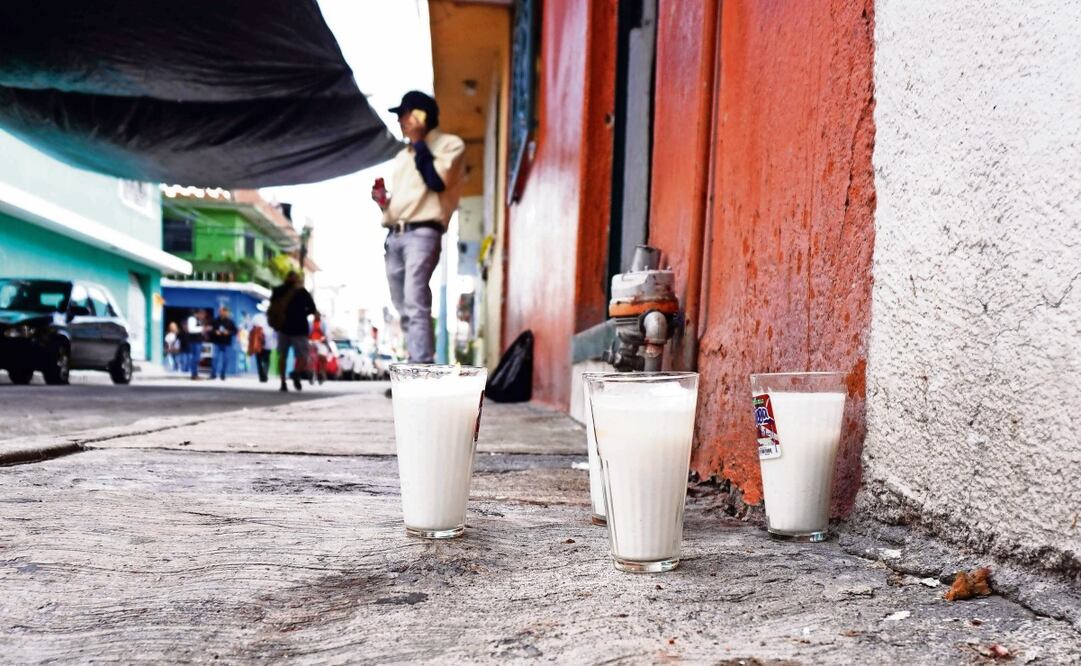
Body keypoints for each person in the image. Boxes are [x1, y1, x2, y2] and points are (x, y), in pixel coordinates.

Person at [372, 91, 465, 372]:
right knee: (402, 305)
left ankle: (421, 369)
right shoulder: (403, 156)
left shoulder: (450, 145)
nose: (400, 121)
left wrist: (421, 141)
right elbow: (402, 203)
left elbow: (436, 182)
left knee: (415, 299)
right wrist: (383, 202)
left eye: (404, 114)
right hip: (395, 234)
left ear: (420, 115)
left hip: (424, 232)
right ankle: (416, 361)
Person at [268, 271, 318, 392]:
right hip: (299, 328)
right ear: (296, 280)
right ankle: (296, 373)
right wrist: (301, 313)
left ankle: (283, 381)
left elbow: (272, 307)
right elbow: (312, 309)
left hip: (283, 327)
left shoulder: (278, 290)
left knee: (282, 356)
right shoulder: (302, 292)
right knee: (302, 356)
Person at [210, 306, 238, 381]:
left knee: (226, 359)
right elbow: (211, 330)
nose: (222, 313)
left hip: (227, 343)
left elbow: (235, 331)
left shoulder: (230, 322)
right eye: (221, 311)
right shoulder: (215, 320)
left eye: (224, 311)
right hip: (217, 342)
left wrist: (228, 332)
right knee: (215, 358)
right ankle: (213, 374)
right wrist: (215, 332)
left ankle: (223, 374)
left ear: (226, 312)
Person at [248, 312, 270, 383]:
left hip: (268, 341)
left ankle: (265, 373)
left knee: (266, 358)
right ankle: (262, 375)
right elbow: (251, 328)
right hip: (258, 342)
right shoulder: (257, 317)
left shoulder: (272, 318)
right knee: (259, 359)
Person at [185, 309, 206, 380]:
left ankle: (195, 374)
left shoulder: (199, 320)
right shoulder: (192, 319)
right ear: (199, 313)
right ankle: (194, 374)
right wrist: (202, 329)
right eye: (202, 315)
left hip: (198, 341)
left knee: (197, 358)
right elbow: (191, 329)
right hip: (194, 342)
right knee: (195, 358)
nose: (203, 317)